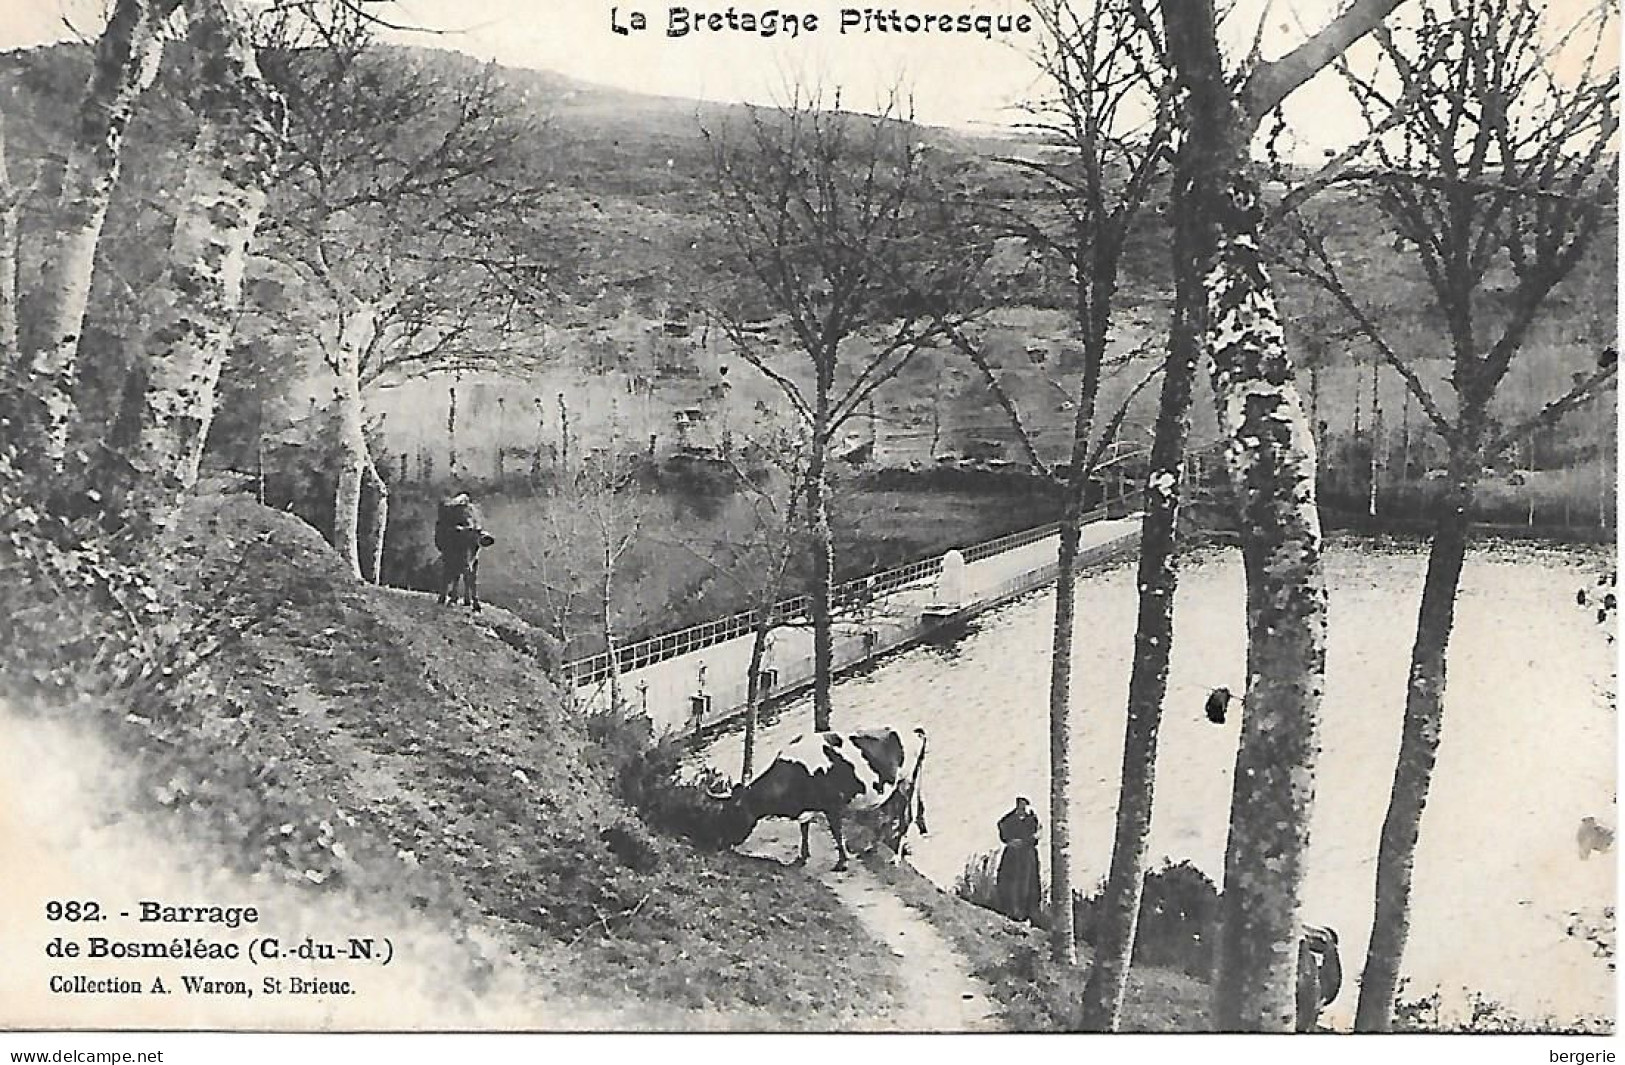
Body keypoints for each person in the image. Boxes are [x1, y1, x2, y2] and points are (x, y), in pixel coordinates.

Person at [995, 796, 1042, 924]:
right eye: (1020, 804)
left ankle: (1027, 914)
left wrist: (1027, 841)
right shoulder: (1010, 819)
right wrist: (1011, 841)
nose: (1022, 807)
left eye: (1025, 804)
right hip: (1013, 855)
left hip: (1027, 856)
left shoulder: (1032, 820)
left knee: (1028, 884)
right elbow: (1002, 827)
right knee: (1010, 883)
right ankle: (1011, 911)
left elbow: (1036, 835)